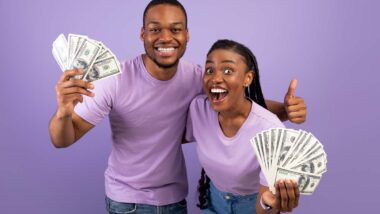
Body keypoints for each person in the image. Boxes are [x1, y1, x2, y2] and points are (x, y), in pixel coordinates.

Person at [48, 0, 306, 213]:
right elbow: (62, 139)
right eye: (155, 29)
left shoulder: (198, 77)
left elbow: (238, 104)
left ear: (186, 35)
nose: (165, 38)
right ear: (143, 34)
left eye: (175, 29)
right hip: (127, 201)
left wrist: (284, 110)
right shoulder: (114, 80)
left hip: (174, 199)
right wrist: (63, 112)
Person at [185, 39, 300, 213]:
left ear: (248, 78)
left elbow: (265, 207)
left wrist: (268, 204)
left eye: (227, 70)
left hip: (252, 206)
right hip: (213, 203)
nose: (216, 78)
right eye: (210, 70)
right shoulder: (198, 109)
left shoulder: (271, 131)